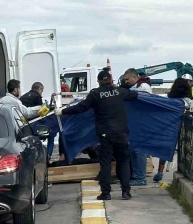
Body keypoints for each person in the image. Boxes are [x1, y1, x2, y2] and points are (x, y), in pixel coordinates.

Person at [56, 69, 138, 200]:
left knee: (105, 163)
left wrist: (62, 111)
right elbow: (134, 96)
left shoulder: (95, 94)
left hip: (105, 134)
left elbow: (81, 107)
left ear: (99, 81)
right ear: (111, 80)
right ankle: (126, 192)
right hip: (121, 133)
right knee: (123, 162)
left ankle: (106, 193)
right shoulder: (119, 92)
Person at [122, 68, 152, 186]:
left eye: (127, 79)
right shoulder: (135, 87)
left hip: (142, 123)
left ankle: (140, 177)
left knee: (139, 151)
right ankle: (136, 175)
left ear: (134, 78)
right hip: (136, 123)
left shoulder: (143, 86)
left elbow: (147, 102)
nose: (126, 82)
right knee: (133, 150)